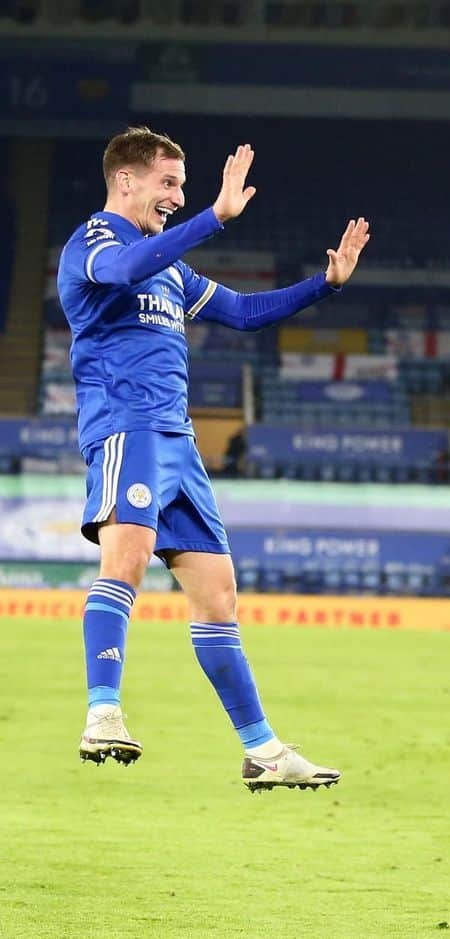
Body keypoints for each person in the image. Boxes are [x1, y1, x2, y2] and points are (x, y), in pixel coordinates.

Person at [58, 126, 371, 792]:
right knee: (129, 560)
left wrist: (326, 285)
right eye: (168, 182)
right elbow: (119, 273)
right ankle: (102, 712)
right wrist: (213, 219)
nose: (177, 195)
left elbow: (244, 311)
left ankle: (263, 752)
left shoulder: (167, 266)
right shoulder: (96, 243)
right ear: (126, 181)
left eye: (183, 186)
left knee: (218, 596)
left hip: (178, 441)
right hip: (127, 429)